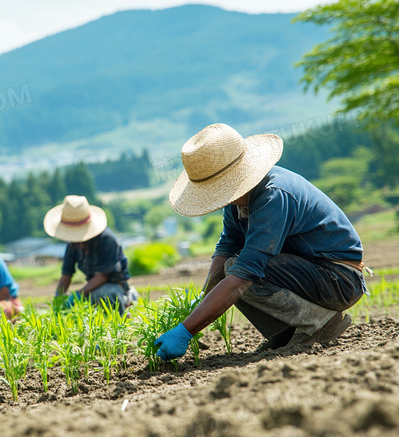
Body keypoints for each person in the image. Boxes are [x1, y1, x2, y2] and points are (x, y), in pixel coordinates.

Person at [154, 123, 368, 361]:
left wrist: (186, 330)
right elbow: (227, 247)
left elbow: (243, 275)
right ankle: (285, 334)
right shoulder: (237, 201)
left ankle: (317, 324)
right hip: (309, 271)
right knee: (230, 269)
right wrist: (203, 302)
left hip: (337, 279)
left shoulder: (273, 195)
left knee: (238, 274)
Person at [44, 195, 136, 315]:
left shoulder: (107, 240)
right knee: (85, 303)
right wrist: (58, 299)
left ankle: (123, 311)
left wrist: (78, 295)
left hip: (113, 285)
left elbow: (104, 275)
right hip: (92, 288)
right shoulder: (73, 245)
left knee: (103, 295)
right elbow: (67, 274)